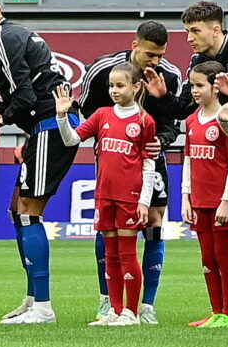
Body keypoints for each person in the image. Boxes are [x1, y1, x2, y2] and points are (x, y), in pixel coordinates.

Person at [76, 21, 187, 326]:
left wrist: (158, 143)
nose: (156, 61)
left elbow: (169, 123)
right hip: (114, 160)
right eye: (151, 55)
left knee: (153, 223)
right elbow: (86, 111)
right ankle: (107, 302)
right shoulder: (103, 70)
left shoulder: (171, 75)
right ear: (135, 45)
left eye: (160, 55)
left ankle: (146, 304)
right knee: (107, 229)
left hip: (151, 159)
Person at [0, 0, 62, 325]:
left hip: (51, 125)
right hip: (43, 127)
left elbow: (24, 91)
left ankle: (43, 307)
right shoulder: (19, 32)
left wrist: (2, 117)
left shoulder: (3, 39)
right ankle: (34, 297)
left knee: (27, 212)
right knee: (15, 210)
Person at [55, 64, 158, 327]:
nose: (114, 90)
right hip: (104, 196)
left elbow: (148, 164)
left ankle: (131, 313)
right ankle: (115, 309)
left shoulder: (144, 121)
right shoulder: (101, 115)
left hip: (130, 197)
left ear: (136, 87)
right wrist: (61, 117)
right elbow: (71, 140)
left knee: (127, 253)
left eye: (120, 85)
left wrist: (144, 200)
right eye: (111, 85)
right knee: (110, 255)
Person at [179, 59, 228, 328]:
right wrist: (185, 197)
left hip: (221, 202)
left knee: (224, 255)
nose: (195, 91)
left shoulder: (226, 119)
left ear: (216, 87)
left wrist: (226, 201)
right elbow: (188, 158)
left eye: (200, 85)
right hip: (199, 200)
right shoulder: (190, 120)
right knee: (207, 257)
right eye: (192, 85)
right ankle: (216, 311)